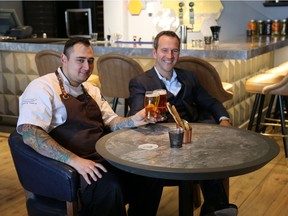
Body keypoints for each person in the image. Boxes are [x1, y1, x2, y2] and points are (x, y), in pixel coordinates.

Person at [16, 37, 163, 216]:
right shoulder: (42, 88)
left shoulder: (91, 89)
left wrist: (134, 120)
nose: (87, 67)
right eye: (80, 60)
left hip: (103, 158)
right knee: (110, 188)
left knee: (151, 176)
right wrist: (75, 161)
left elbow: (112, 122)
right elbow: (30, 133)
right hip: (68, 168)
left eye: (90, 61)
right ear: (64, 59)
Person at [128, 30, 238, 216]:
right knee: (151, 171)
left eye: (175, 51)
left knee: (209, 156)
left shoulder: (189, 77)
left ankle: (215, 209)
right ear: (154, 53)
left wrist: (224, 119)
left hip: (192, 140)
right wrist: (147, 116)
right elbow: (137, 117)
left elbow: (210, 101)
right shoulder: (141, 82)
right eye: (164, 50)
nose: (169, 56)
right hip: (161, 143)